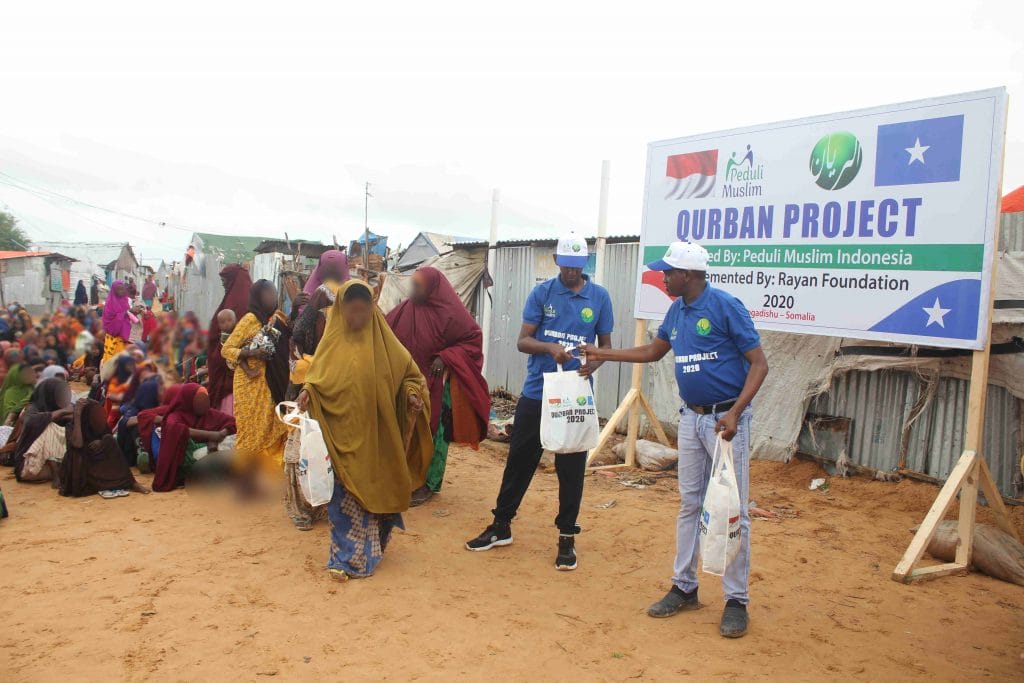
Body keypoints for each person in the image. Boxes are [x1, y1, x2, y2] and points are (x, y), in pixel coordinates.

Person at [580, 241, 768, 639]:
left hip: (725, 422)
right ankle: (684, 586)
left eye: (668, 272)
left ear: (689, 274)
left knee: (733, 509)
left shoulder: (725, 306)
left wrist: (735, 413)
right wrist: (604, 354)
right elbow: (654, 351)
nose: (663, 278)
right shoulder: (677, 310)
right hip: (691, 419)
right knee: (689, 504)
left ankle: (736, 600)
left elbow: (759, 364)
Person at [464, 233, 613, 571]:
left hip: (574, 395)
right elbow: (523, 341)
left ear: (584, 263)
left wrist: (593, 364)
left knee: (571, 467)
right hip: (537, 391)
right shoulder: (542, 293)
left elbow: (604, 346)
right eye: (566, 266)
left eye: (577, 267)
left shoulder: (599, 298)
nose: (571, 272)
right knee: (520, 460)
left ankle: (567, 538)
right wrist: (549, 348)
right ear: (557, 261)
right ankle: (501, 526)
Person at [297, 281, 433, 580]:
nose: (357, 317)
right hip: (339, 437)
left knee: (376, 490)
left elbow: (411, 377)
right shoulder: (330, 344)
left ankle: (373, 546)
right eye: (352, 311)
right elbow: (316, 379)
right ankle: (346, 560)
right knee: (344, 499)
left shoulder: (386, 344)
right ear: (341, 310)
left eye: (363, 311)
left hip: (377, 437)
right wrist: (307, 392)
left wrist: (411, 395)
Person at [385, 267, 490, 505]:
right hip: (406, 383)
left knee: (434, 434)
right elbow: (383, 334)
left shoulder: (451, 313)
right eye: (412, 284)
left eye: (417, 286)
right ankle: (405, 478)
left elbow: (472, 340)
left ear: (432, 288)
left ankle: (429, 484)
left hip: (436, 385)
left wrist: (446, 356)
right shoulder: (404, 310)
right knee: (404, 430)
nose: (412, 290)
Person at [221, 280, 289, 472]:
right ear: (258, 297)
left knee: (270, 425)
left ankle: (264, 473)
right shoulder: (250, 319)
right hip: (249, 384)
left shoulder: (274, 319)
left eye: (274, 294)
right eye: (268, 294)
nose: (273, 298)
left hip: (267, 382)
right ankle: (245, 476)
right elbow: (227, 349)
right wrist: (252, 353)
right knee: (250, 430)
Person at [59, 398, 150, 499]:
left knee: (109, 439)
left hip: (97, 463)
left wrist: (101, 442)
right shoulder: (71, 426)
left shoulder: (98, 423)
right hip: (82, 468)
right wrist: (77, 415)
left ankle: (131, 483)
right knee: (77, 453)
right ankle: (90, 485)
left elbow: (108, 434)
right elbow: (78, 444)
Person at [151, 384, 235, 492]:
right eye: (200, 399)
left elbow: (231, 422)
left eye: (206, 399)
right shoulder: (175, 416)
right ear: (189, 400)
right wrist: (212, 435)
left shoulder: (210, 414)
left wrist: (220, 435)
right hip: (189, 457)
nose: (205, 403)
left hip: (212, 451)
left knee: (235, 440)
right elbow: (178, 429)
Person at [207, 265, 253, 414]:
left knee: (230, 405)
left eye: (224, 280)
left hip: (230, 365)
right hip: (229, 359)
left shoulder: (237, 303)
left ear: (234, 280)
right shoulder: (237, 298)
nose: (223, 284)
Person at [13, 377, 74, 484]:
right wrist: (63, 412)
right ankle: (56, 473)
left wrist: (72, 415)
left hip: (56, 466)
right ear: (49, 394)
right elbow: (31, 421)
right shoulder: (33, 408)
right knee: (48, 426)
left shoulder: (66, 407)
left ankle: (61, 470)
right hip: (31, 467)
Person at [102, 280, 133, 363]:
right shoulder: (109, 303)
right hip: (112, 336)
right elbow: (108, 321)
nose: (121, 291)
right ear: (113, 290)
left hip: (123, 335)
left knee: (123, 360)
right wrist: (124, 313)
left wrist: (129, 313)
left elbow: (127, 316)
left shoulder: (125, 300)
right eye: (118, 289)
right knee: (111, 361)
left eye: (122, 289)